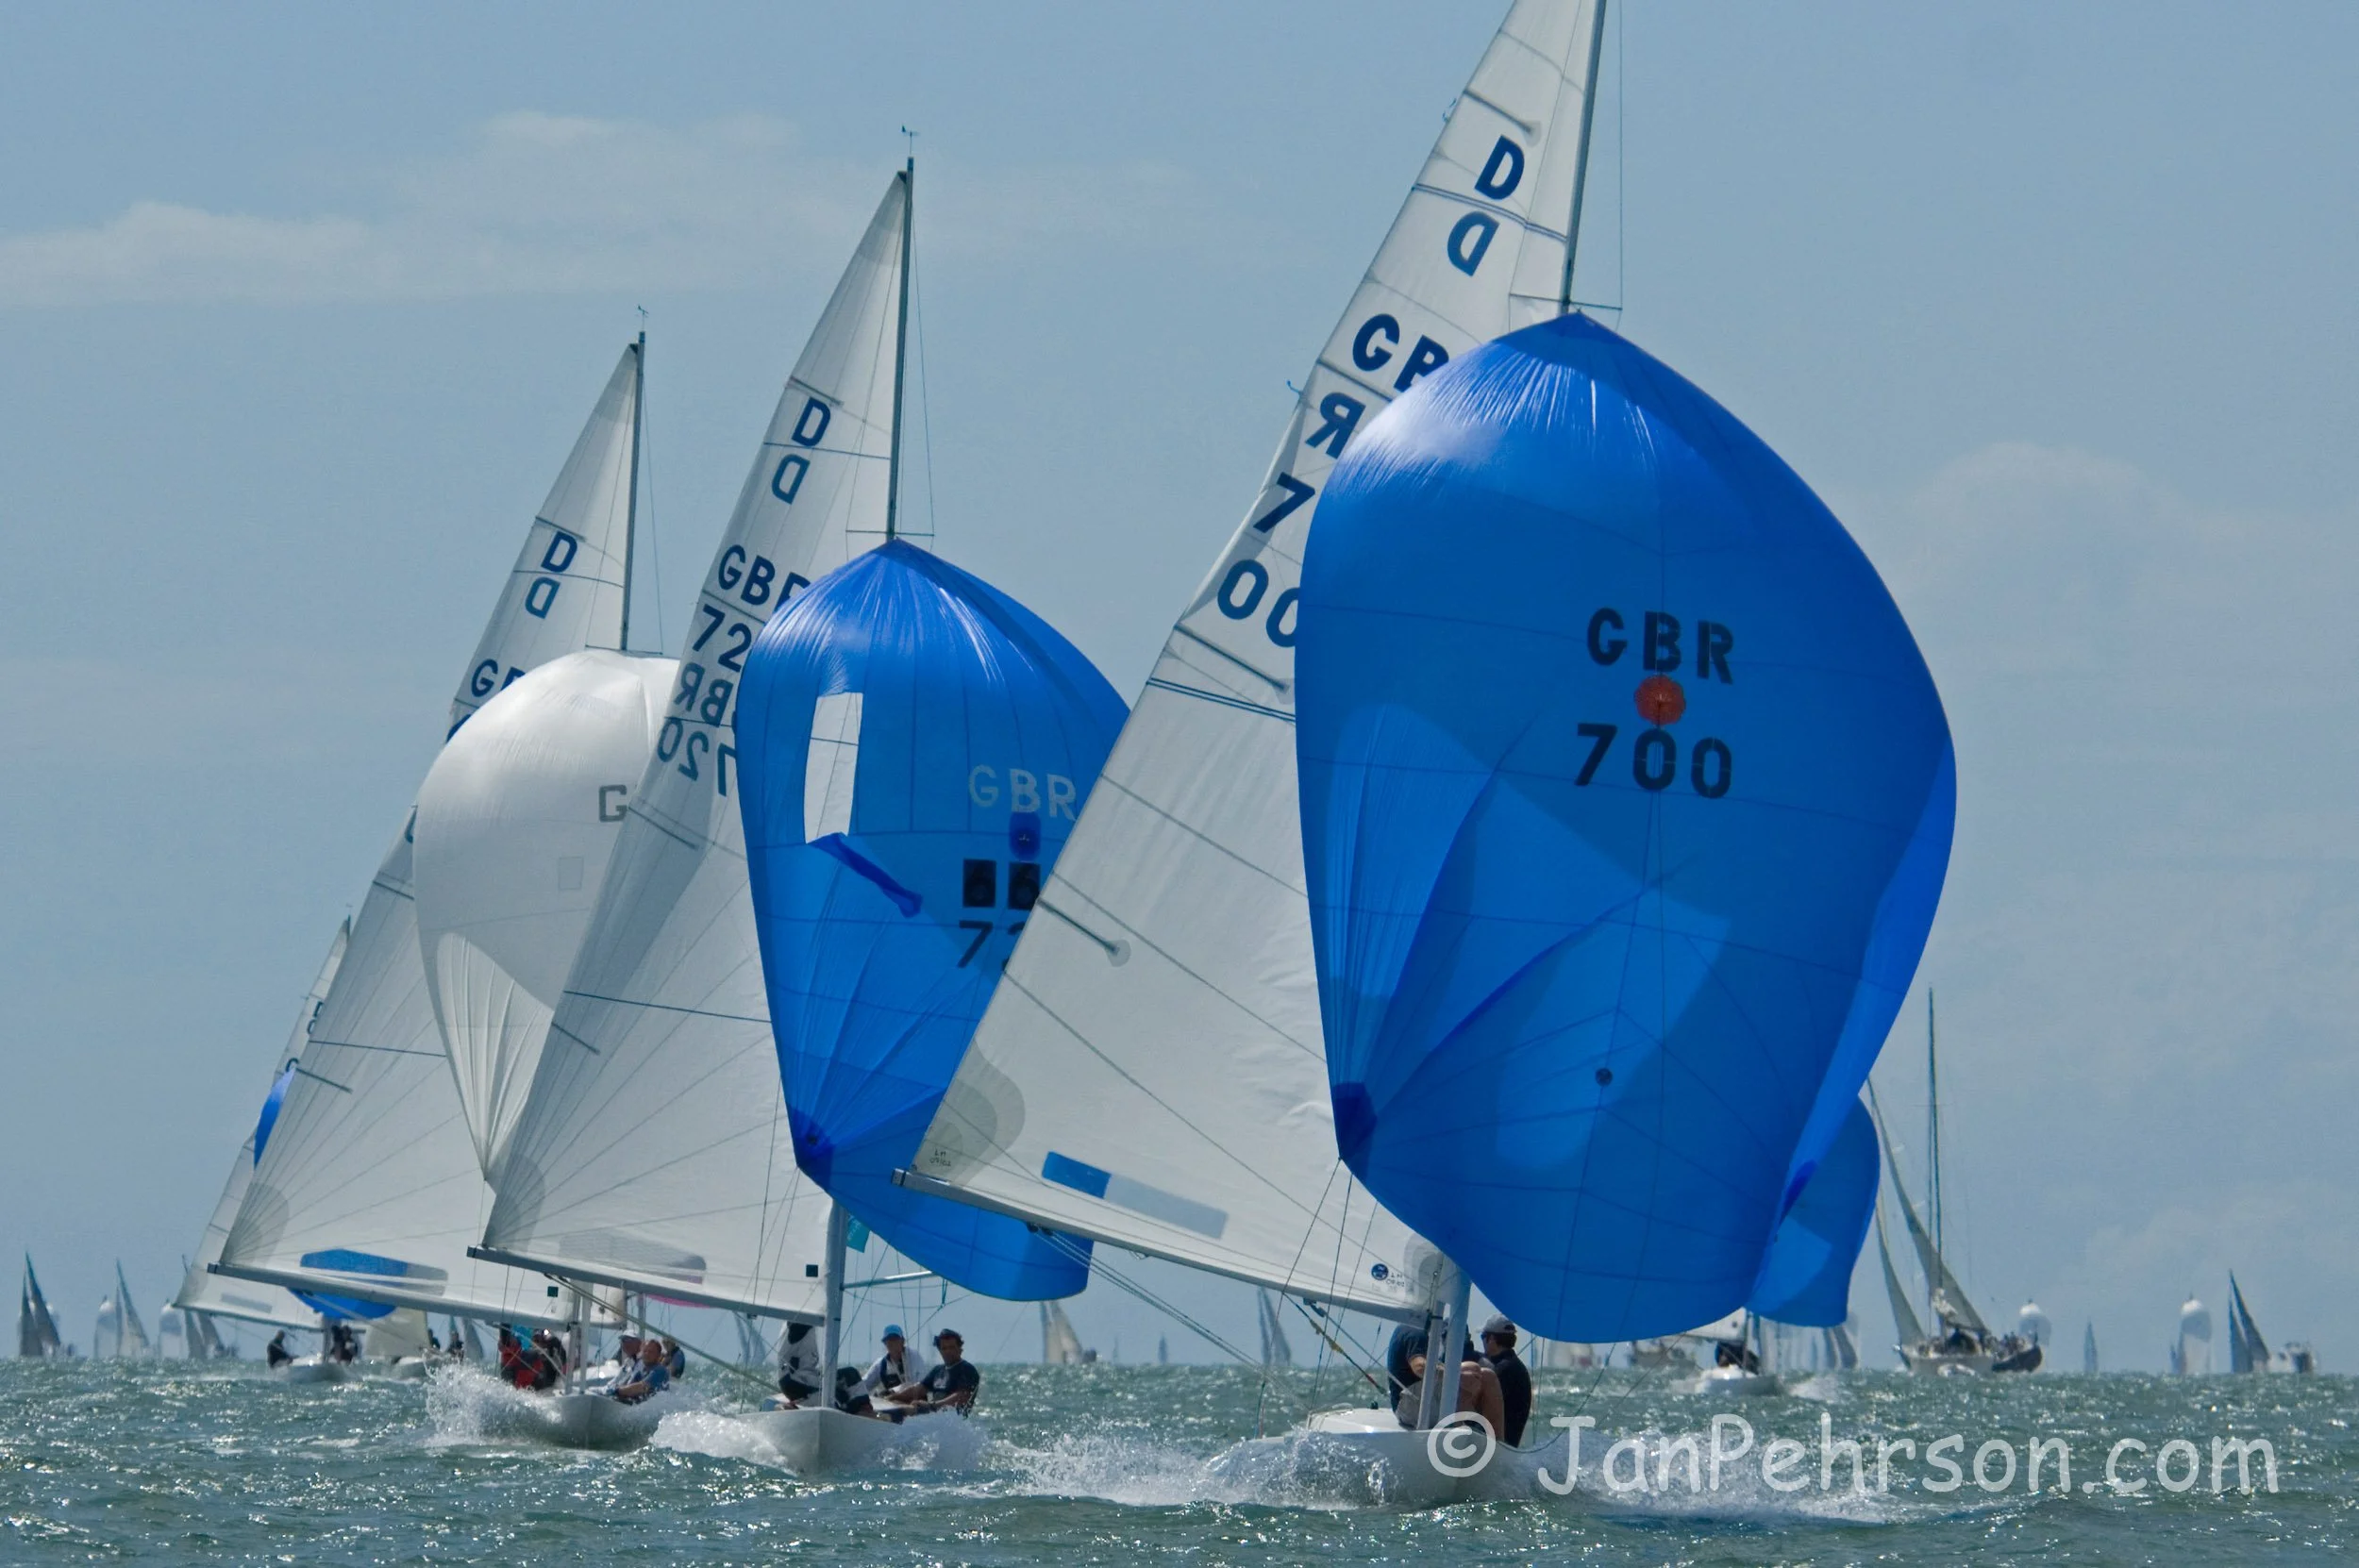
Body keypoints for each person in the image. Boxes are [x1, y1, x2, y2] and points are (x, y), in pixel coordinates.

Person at [1392, 1346, 1504, 1436]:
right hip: (1410, 1406)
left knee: (1478, 1373)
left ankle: (1461, 1429)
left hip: (1411, 1407)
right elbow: (1419, 1367)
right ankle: (1496, 1446)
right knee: (1483, 1373)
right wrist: (1458, 1377)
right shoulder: (1415, 1333)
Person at [878, 1328, 979, 1418]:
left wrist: (932, 1405)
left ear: (960, 1349)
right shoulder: (938, 1370)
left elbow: (962, 1397)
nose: (948, 1351)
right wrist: (892, 1397)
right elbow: (918, 1389)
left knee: (898, 1411)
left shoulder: (967, 1369)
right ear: (940, 1350)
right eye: (944, 1348)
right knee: (893, 1404)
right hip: (932, 1415)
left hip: (951, 1421)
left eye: (952, 1347)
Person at [845, 1325, 927, 1416]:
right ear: (885, 1343)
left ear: (902, 1341)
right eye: (889, 1340)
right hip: (894, 1405)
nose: (893, 1343)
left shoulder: (914, 1356)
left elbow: (918, 1386)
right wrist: (849, 1392)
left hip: (916, 1406)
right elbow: (865, 1384)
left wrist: (891, 1394)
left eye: (896, 1339)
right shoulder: (881, 1364)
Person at [1480, 1315, 1532, 1447]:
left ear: (1491, 1339)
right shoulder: (1514, 1365)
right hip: (1507, 1446)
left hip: (1498, 1447)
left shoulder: (1503, 1370)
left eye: (1482, 1337)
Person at [771, 1323, 823, 1408]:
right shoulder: (799, 1325)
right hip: (794, 1380)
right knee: (831, 1392)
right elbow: (796, 1328)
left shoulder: (806, 1325)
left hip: (802, 1378)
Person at [609, 1336, 672, 1404]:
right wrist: (614, 1388)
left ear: (658, 1355)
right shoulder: (640, 1366)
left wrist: (617, 1391)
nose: (647, 1354)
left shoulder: (660, 1370)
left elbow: (642, 1387)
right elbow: (626, 1383)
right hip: (632, 1403)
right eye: (645, 1351)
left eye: (651, 1352)